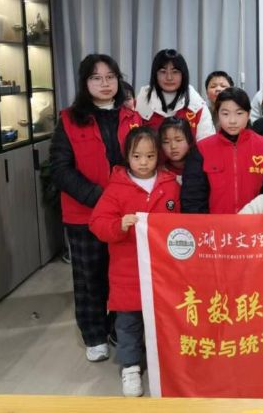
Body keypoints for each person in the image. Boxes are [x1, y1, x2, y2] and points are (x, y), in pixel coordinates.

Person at [50, 54, 142, 363]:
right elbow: (60, 169)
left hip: (126, 216)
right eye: (96, 78)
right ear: (84, 83)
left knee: (122, 275)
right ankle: (94, 335)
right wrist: (100, 199)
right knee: (90, 278)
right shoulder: (68, 119)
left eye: (110, 77)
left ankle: (118, 328)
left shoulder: (132, 118)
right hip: (84, 215)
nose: (105, 83)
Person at [89, 127, 180, 397]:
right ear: (126, 156)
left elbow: (182, 224)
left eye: (150, 156)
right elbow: (98, 223)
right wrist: (119, 225)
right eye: (137, 156)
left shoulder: (170, 184)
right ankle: (130, 367)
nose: (143, 162)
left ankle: (165, 364)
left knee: (163, 322)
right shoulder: (116, 188)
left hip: (163, 273)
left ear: (158, 156)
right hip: (127, 271)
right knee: (128, 323)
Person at [181, 87, 263, 214]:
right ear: (217, 114)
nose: (232, 121)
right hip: (215, 225)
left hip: (256, 223)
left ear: (248, 114)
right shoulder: (202, 149)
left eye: (239, 113)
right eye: (225, 114)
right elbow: (193, 198)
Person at [135, 49, 214, 140]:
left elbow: (207, 142)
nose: (169, 78)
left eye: (175, 72)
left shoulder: (197, 104)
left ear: (183, 74)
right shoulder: (141, 101)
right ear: (155, 75)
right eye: (163, 72)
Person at [159, 116, 195, 184]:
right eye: (166, 142)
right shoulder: (158, 173)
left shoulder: (200, 169)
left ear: (189, 141)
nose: (173, 146)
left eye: (178, 140)